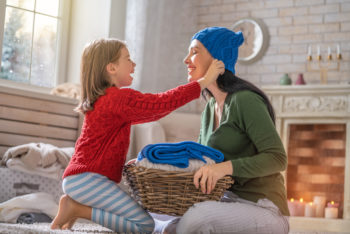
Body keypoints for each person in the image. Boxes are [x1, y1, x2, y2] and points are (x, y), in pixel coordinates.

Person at [50, 38, 224, 233]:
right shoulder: (117, 98)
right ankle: (76, 209)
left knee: (138, 216)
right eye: (128, 59)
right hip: (87, 180)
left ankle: (73, 208)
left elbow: (156, 111)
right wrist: (205, 81)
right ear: (112, 68)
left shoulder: (106, 99)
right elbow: (162, 102)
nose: (133, 64)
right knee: (144, 226)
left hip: (82, 179)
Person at [165, 27, 290, 234]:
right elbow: (198, 159)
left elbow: (278, 158)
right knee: (164, 222)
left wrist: (224, 168)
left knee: (196, 220)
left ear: (217, 59)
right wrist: (151, 162)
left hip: (263, 208)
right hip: (226, 201)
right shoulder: (209, 108)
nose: (186, 60)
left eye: (194, 52)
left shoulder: (245, 100)